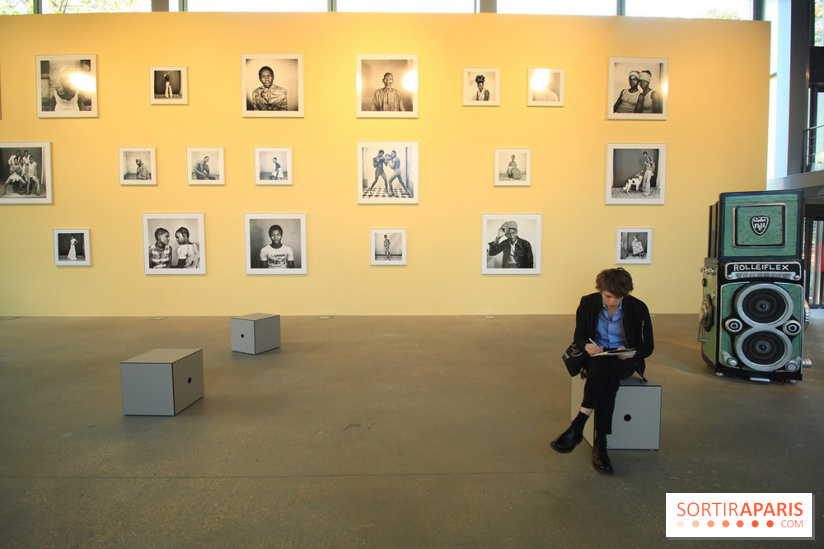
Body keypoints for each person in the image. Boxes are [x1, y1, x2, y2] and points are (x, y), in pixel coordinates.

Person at [550, 268, 654, 475]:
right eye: (608, 296)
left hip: (624, 359)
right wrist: (587, 346)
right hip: (597, 357)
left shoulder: (638, 307)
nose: (613, 302)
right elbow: (579, 336)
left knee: (607, 369)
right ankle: (600, 444)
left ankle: (578, 427)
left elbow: (647, 347)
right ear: (600, 291)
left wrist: (631, 352)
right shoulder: (588, 302)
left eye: (619, 297)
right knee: (606, 372)